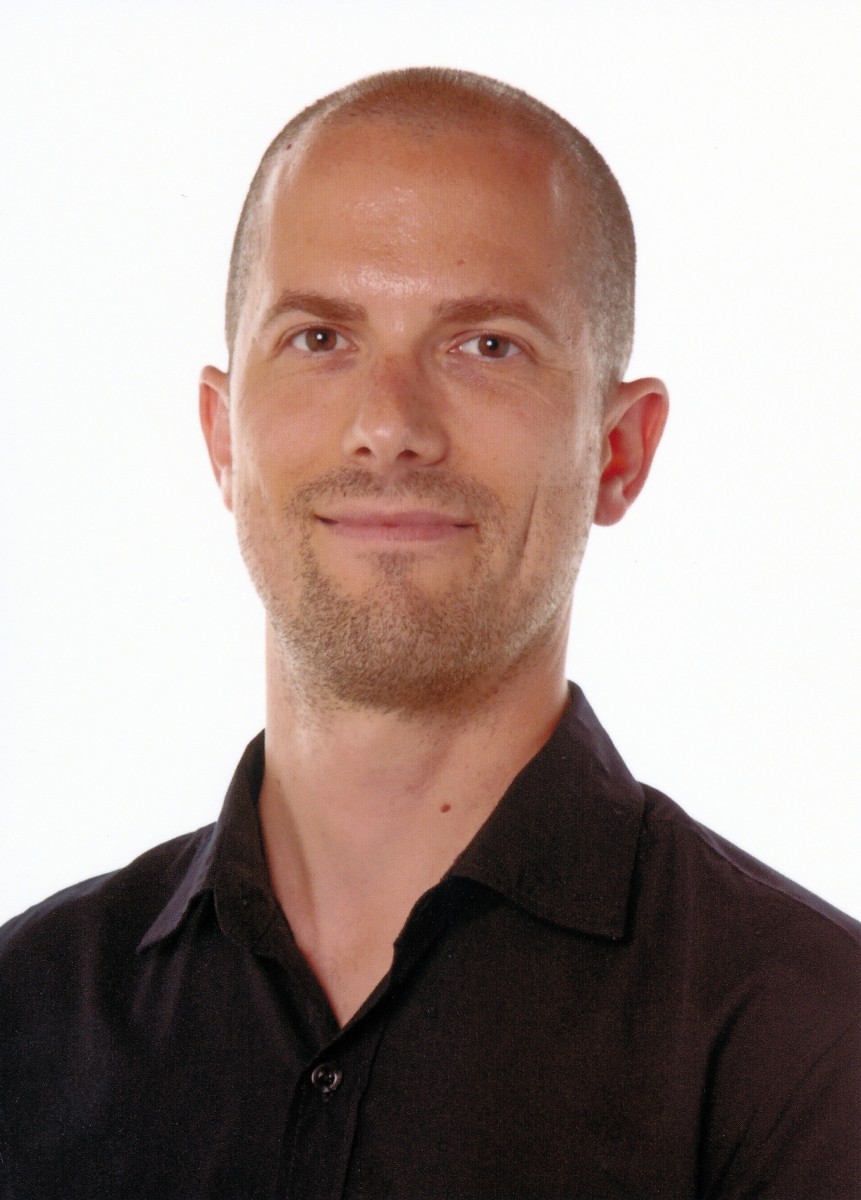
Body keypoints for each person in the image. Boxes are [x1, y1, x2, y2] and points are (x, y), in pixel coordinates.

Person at [1, 66, 858, 1200]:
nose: (388, 426)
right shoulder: (26, 1014)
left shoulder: (810, 1039)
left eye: (486, 345)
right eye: (319, 337)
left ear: (618, 450)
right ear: (223, 436)